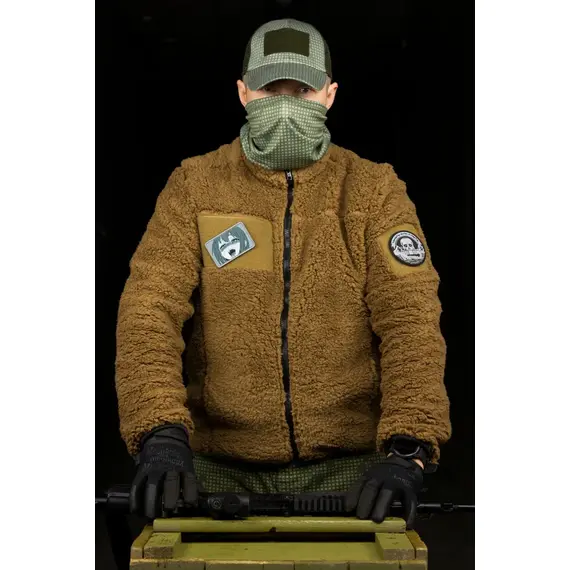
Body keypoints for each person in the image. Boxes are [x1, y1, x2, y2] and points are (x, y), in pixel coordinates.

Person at [115, 18, 451, 528]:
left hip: (353, 475)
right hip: (213, 472)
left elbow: (411, 321)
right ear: (243, 92)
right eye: (272, 89)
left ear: (330, 95)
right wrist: (159, 431)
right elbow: (148, 311)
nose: (287, 103)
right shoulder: (195, 186)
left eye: (303, 90)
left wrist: (409, 448)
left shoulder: (373, 190)